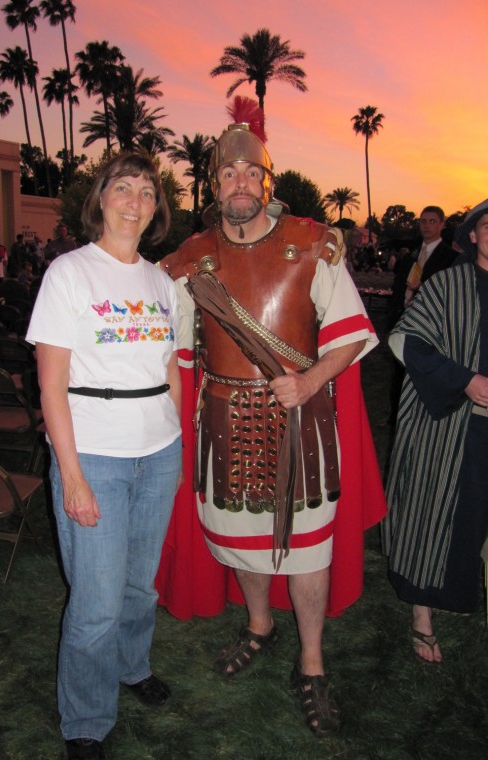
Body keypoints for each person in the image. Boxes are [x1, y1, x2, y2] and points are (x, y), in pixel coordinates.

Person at [158, 101, 386, 737]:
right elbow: (171, 349)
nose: (239, 182)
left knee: (309, 550)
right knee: (239, 537)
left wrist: (311, 378)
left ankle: (311, 663)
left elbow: (352, 333)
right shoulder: (190, 260)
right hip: (224, 426)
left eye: (249, 173)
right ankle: (258, 625)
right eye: (227, 173)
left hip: (301, 427)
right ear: (213, 185)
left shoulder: (311, 245)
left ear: (267, 182)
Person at [26, 153, 182, 760]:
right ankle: (86, 721)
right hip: (95, 454)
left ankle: (131, 665)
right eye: (124, 187)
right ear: (102, 199)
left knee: (139, 585)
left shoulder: (160, 281)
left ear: (154, 209)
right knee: (94, 600)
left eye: (147, 191)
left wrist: (176, 441)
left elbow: (168, 365)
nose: (135, 200)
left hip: (157, 453)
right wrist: (72, 476)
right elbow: (50, 385)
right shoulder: (69, 274)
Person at [383, 199, 488, 664]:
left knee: (475, 519)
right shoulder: (447, 284)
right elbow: (406, 340)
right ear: (473, 236)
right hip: (449, 425)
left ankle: (466, 593)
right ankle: (421, 615)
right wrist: (464, 380)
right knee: (430, 515)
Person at [386, 207, 458, 427]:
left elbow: (448, 293)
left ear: (442, 225)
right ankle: (396, 417)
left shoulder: (451, 258)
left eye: (432, 221)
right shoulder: (412, 255)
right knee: (399, 371)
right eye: (423, 221)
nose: (427, 225)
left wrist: (420, 289)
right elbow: (399, 286)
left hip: (430, 324)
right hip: (404, 319)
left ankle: (420, 418)